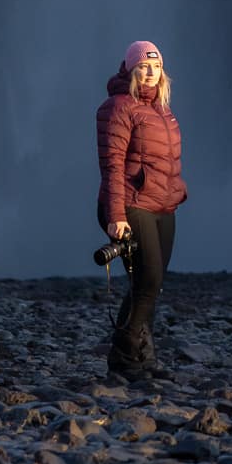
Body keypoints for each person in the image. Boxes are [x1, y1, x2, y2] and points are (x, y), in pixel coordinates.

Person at [95, 39, 187, 375]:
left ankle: (142, 356)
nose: (150, 73)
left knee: (150, 284)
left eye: (156, 66)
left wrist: (177, 192)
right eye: (143, 66)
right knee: (147, 282)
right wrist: (116, 216)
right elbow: (112, 166)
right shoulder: (118, 107)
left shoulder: (162, 109)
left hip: (163, 206)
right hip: (131, 205)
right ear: (131, 68)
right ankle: (123, 356)